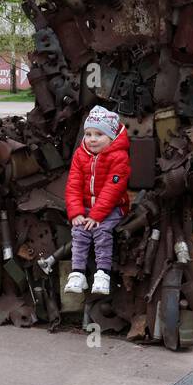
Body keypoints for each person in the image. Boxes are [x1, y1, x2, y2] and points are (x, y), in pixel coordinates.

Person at [63, 105, 131, 296]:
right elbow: (73, 185)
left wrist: (95, 216)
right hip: (86, 208)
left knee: (101, 231)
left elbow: (113, 189)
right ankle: (78, 273)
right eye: (88, 134)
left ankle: (103, 273)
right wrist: (76, 212)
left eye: (99, 134)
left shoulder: (119, 157)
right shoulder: (80, 155)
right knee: (79, 231)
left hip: (113, 208)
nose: (92, 139)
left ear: (111, 137)